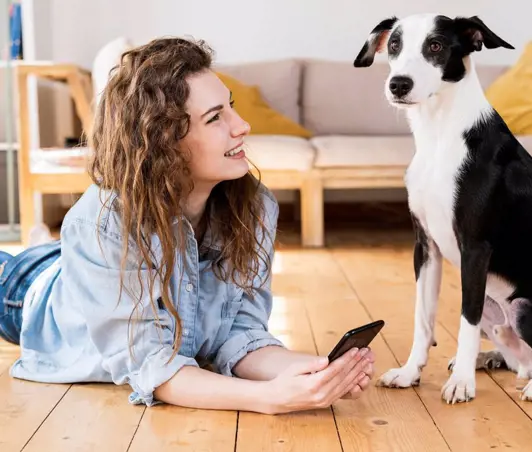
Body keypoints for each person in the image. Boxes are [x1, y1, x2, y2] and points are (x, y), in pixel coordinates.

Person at [0, 37, 375, 414]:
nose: (241, 125)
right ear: (163, 142)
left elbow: (240, 332)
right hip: (29, 290)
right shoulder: (102, 222)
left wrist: (313, 371)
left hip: (91, 263)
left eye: (230, 107)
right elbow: (151, 365)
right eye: (215, 118)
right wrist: (267, 398)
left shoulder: (256, 206)